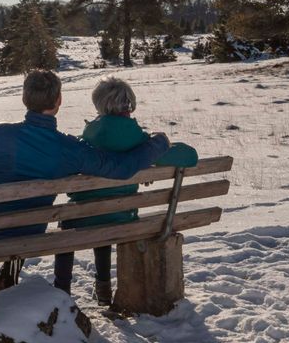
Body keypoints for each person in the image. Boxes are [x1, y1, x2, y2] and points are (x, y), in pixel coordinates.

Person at [0, 69, 170, 293]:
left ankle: (1, 286)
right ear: (59, 100)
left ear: (24, 99)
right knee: (23, 219)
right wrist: (158, 143)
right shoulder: (70, 150)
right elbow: (121, 167)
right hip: (31, 230)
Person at [58, 76, 198, 303]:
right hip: (123, 218)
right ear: (129, 104)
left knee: (80, 222)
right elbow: (189, 157)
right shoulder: (139, 141)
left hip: (80, 219)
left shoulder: (87, 138)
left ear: (99, 104)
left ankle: (61, 292)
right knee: (106, 217)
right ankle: (103, 287)